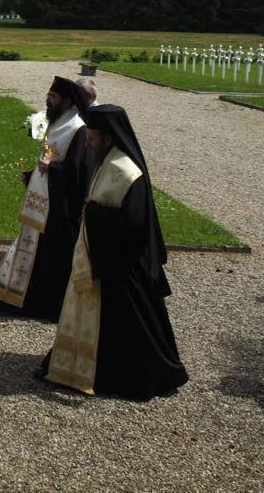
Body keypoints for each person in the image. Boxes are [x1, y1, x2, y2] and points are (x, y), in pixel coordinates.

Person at [38, 104, 189, 400]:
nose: (88, 143)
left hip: (121, 263)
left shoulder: (125, 171)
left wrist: (93, 214)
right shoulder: (106, 161)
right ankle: (86, 369)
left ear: (108, 138)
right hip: (102, 257)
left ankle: (147, 376)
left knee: (133, 325)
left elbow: (134, 224)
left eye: (92, 138)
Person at [0, 76, 91, 321]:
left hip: (62, 210)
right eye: (48, 96)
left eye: (53, 97)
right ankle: (26, 298)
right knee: (38, 253)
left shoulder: (78, 129)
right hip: (44, 203)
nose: (48, 101)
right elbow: (49, 160)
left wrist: (52, 169)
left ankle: (51, 306)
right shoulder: (58, 122)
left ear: (67, 101)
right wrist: (33, 175)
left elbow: (80, 173)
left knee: (55, 258)